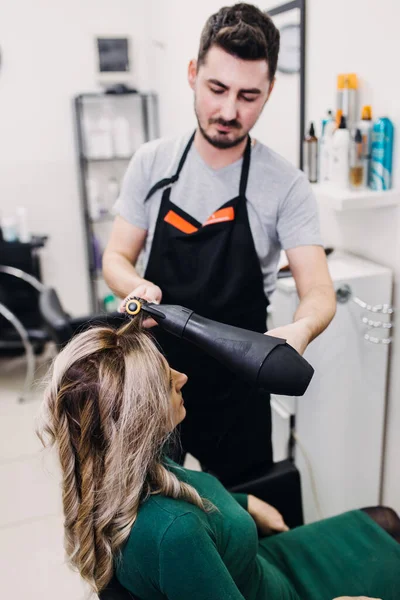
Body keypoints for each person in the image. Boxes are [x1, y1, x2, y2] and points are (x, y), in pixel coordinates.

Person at [102, 3, 336, 484]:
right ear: (193, 74)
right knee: (155, 517)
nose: (229, 111)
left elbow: (319, 292)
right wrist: (133, 284)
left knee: (244, 521)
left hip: (239, 391)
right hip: (155, 381)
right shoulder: (152, 163)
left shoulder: (285, 185)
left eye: (249, 95)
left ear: (269, 91)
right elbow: (116, 256)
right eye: (217, 89)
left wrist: (302, 329)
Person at [37, 318, 400, 599]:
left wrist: (244, 503)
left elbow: (184, 495)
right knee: (385, 528)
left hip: (262, 565)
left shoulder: (117, 467)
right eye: (166, 382)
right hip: (276, 591)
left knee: (384, 519)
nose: (183, 377)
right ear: (137, 419)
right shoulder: (174, 534)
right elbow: (179, 531)